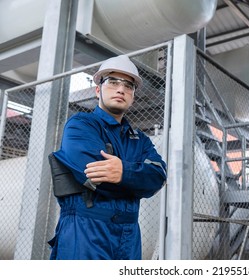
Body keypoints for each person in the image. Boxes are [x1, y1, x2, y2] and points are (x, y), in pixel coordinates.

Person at [48, 55, 167, 260]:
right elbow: (94, 174)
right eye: (113, 82)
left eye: (128, 86)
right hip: (85, 235)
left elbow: (158, 176)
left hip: (129, 238)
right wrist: (137, 178)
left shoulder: (140, 140)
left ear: (132, 96)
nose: (121, 89)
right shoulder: (81, 125)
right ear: (98, 90)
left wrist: (123, 172)